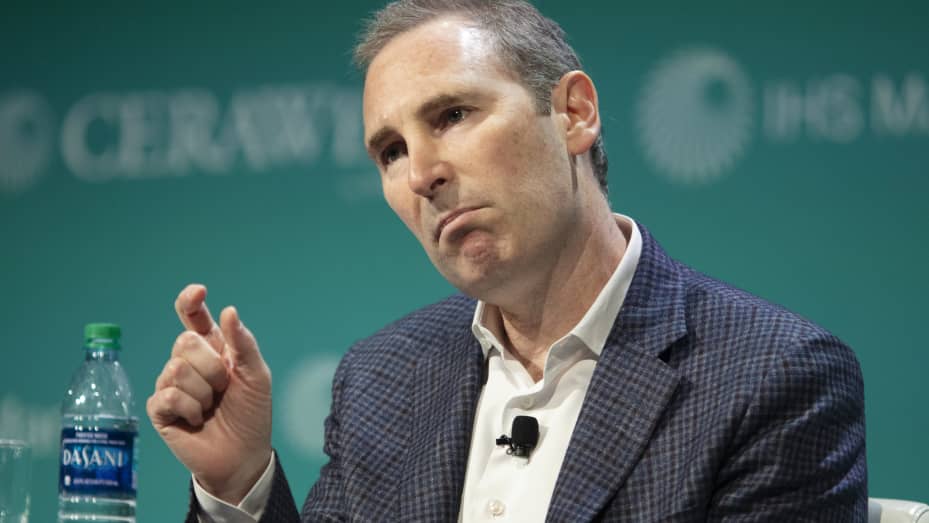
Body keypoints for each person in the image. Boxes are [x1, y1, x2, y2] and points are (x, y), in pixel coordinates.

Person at [146, 1, 868, 521]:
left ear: (574, 113)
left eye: (453, 115)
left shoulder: (772, 376)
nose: (421, 173)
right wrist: (238, 483)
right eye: (391, 151)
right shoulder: (382, 379)